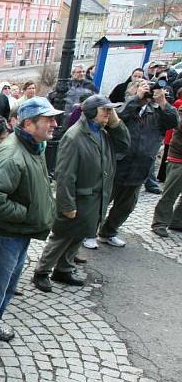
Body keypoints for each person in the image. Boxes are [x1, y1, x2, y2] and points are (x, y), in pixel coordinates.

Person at [0, 97, 61, 368]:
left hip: (20, 234)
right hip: (7, 235)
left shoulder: (34, 147)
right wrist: (27, 215)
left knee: (7, 286)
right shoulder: (12, 153)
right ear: (28, 124)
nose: (55, 123)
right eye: (48, 119)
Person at [33, 95, 130, 291]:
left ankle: (64, 269)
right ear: (93, 112)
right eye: (106, 110)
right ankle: (42, 271)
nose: (109, 114)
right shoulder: (74, 136)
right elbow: (65, 175)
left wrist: (116, 123)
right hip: (79, 197)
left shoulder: (103, 132)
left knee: (81, 233)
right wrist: (67, 205)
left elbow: (125, 145)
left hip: (95, 197)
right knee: (63, 236)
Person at [97, 80, 178, 246]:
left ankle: (109, 232)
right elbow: (116, 119)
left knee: (125, 206)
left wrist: (162, 101)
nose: (146, 89)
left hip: (140, 168)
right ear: (130, 91)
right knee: (100, 202)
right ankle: (89, 233)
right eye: (140, 85)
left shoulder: (157, 112)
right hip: (117, 165)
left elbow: (174, 122)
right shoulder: (123, 107)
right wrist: (136, 99)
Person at [153, 100, 182, 236]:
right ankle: (159, 223)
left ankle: (177, 221)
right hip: (178, 158)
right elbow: (178, 124)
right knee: (170, 194)